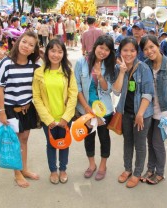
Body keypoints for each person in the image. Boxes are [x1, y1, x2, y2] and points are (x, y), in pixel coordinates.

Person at [0, 31, 41, 188]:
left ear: (34, 49)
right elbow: (0, 88)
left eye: (31, 45)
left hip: (27, 109)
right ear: (17, 42)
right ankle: (17, 174)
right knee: (14, 142)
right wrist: (1, 112)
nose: (26, 46)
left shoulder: (34, 66)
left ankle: (24, 169)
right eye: (24, 42)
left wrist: (41, 55)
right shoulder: (5, 63)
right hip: (10, 109)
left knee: (24, 139)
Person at [33, 39, 78, 184]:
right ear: (47, 52)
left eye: (60, 51)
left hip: (65, 118)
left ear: (64, 54)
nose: (56, 55)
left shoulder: (68, 72)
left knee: (64, 144)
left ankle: (63, 169)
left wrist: (66, 117)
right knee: (51, 144)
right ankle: (53, 170)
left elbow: (73, 95)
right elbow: (37, 97)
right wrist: (47, 119)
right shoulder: (39, 73)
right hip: (49, 120)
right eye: (52, 51)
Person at [113, 37, 154, 188]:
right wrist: (122, 72)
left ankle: (137, 173)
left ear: (137, 52)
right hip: (125, 112)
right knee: (127, 142)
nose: (128, 54)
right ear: (120, 51)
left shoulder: (143, 68)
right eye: (125, 50)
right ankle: (127, 169)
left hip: (142, 114)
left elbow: (148, 94)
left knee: (140, 144)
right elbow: (116, 91)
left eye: (132, 50)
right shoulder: (119, 68)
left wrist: (140, 114)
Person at [140, 35, 167, 185]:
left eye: (152, 47)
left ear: (158, 46)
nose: (149, 51)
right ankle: (150, 169)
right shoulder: (145, 65)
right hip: (149, 111)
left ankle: (160, 172)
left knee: (157, 143)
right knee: (149, 142)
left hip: (164, 112)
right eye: (145, 49)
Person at [74, 35, 115, 181]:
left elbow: (108, 89)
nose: (103, 51)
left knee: (104, 138)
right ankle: (92, 165)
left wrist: (100, 76)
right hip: (85, 110)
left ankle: (103, 165)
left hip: (104, 111)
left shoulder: (111, 65)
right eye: (101, 47)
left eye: (107, 49)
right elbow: (76, 87)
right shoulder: (81, 62)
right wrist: (85, 106)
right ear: (95, 46)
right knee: (89, 137)